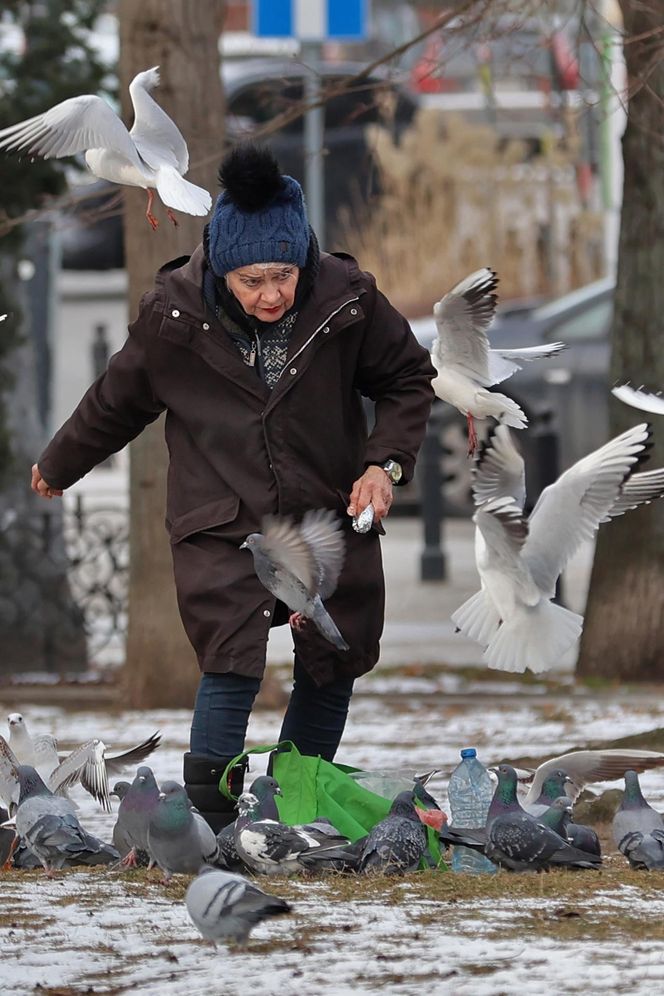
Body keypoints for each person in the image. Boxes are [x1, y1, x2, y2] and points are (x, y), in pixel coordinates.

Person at [32, 145, 435, 831]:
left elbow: (406, 380)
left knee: (334, 655)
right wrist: (61, 463)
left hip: (323, 514)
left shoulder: (347, 299)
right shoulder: (174, 315)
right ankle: (211, 822)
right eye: (253, 280)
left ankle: (297, 801)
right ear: (222, 267)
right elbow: (118, 399)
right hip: (222, 519)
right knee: (231, 657)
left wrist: (384, 464)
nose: (272, 293)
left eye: (283, 274)